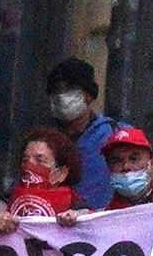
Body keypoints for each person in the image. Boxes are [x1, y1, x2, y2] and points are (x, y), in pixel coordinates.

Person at [40, 57, 137, 207]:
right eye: (56, 91)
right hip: (54, 224)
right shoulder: (41, 142)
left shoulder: (118, 134)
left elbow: (144, 183)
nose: (60, 96)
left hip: (105, 224)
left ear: (89, 95)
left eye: (69, 89)